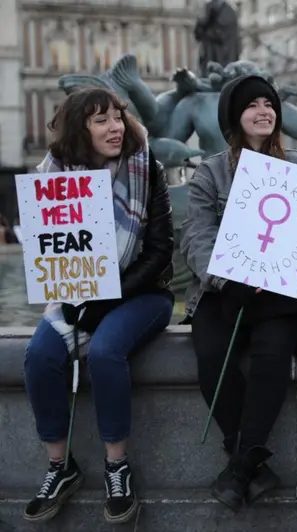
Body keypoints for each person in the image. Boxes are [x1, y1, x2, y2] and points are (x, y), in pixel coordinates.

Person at [23, 88, 174, 523]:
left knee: (107, 352)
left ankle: (116, 466)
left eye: (117, 117)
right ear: (79, 129)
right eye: (100, 120)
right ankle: (60, 466)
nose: (114, 127)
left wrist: (109, 295)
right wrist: (76, 292)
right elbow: (50, 255)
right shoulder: (53, 180)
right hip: (77, 294)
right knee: (38, 356)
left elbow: (161, 251)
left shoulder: (148, 170)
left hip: (143, 294)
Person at [180, 75, 297, 511]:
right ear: (234, 117)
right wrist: (228, 277)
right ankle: (251, 464)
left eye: (269, 103)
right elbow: (196, 236)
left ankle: (240, 467)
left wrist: (286, 251)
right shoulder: (211, 171)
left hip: (285, 291)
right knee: (210, 356)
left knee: (272, 354)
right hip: (226, 290)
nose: (263, 111)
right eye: (252, 105)